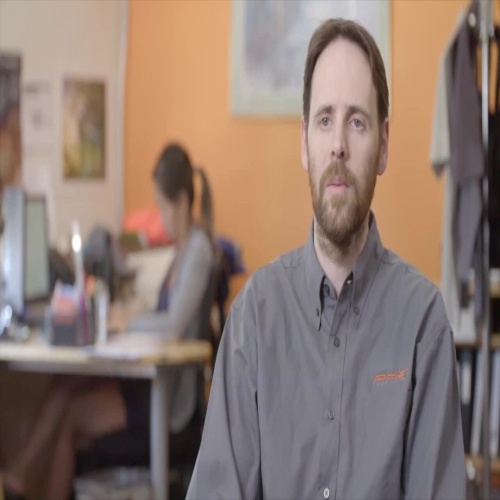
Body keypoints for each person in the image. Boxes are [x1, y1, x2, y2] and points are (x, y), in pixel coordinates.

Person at [187, 18, 466, 500]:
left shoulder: (423, 323)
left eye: (357, 122)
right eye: (324, 120)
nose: (338, 144)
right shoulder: (254, 318)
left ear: (383, 146)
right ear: (305, 143)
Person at [1, 143, 215, 500]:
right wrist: (127, 315)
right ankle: (18, 476)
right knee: (64, 387)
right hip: (150, 385)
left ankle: (18, 478)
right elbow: (162, 315)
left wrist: (125, 321)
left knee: (72, 417)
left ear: (180, 201)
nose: (160, 218)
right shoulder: (180, 250)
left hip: (169, 401)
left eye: (162, 208)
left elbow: (174, 324)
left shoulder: (198, 251)